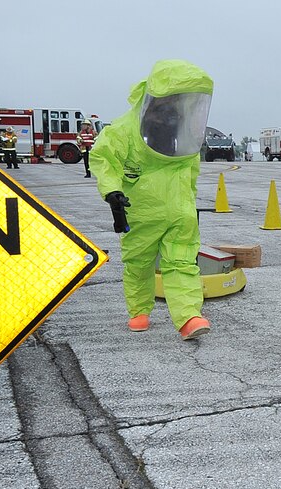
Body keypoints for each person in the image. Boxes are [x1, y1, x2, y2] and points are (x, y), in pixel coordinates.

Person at [90, 59, 214, 341]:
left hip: (179, 210)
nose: (175, 108)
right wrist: (112, 192)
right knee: (138, 263)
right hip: (142, 210)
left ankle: (188, 317)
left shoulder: (184, 132)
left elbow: (190, 171)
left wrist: (188, 204)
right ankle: (139, 311)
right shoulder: (125, 130)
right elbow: (102, 158)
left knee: (182, 262)